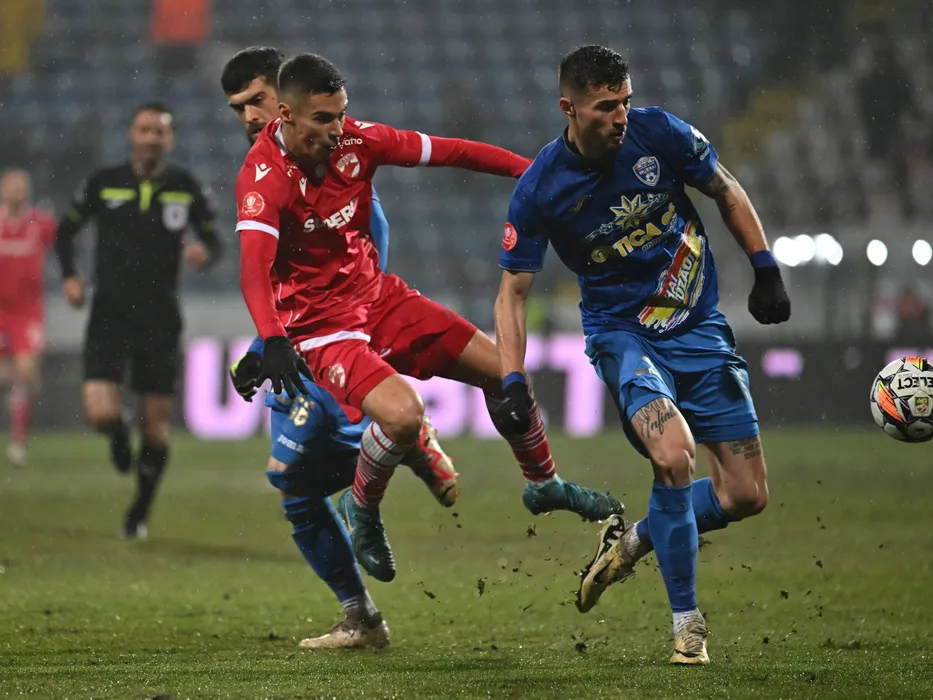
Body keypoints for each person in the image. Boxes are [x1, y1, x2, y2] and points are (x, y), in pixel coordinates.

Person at [235, 53, 623, 584]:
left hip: (380, 298)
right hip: (322, 328)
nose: (338, 129)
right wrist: (273, 339)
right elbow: (253, 273)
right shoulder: (262, 179)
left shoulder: (358, 141)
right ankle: (361, 507)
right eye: (323, 119)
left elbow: (453, 152)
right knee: (403, 417)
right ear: (286, 115)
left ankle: (544, 484)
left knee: (505, 371)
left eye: (341, 114)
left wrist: (536, 174)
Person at [494, 45, 791, 665]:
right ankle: (688, 626)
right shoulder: (541, 188)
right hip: (624, 337)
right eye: (606, 106)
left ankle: (634, 542)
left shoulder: (660, 133)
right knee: (674, 455)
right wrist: (512, 377)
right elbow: (512, 293)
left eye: (625, 102)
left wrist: (764, 266)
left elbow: (725, 188)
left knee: (746, 495)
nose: (621, 116)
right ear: (569, 108)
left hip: (698, 327)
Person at [222, 48, 459, 648]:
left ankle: (405, 440)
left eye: (256, 100)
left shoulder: (334, 162)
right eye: (237, 108)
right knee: (294, 487)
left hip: (335, 343)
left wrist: (343, 331)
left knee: (291, 479)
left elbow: (363, 255)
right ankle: (362, 612)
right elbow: (280, 278)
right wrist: (262, 345)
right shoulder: (267, 169)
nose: (249, 116)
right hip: (300, 344)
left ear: (283, 100)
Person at [54, 101, 222, 539]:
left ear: (170, 139)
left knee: (157, 427)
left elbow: (215, 239)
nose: (151, 138)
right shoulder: (104, 182)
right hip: (109, 311)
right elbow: (65, 231)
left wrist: (204, 254)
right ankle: (116, 433)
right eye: (145, 129)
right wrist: (70, 276)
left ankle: (139, 513)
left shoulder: (186, 187)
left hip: (160, 317)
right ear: (132, 134)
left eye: (159, 131)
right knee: (100, 412)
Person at [0, 168, 56, 466]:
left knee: (26, 373)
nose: (17, 192)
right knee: (8, 376)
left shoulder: (41, 224)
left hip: (27, 312)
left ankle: (18, 440)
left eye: (21, 187)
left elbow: (63, 245)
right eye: (12, 187)